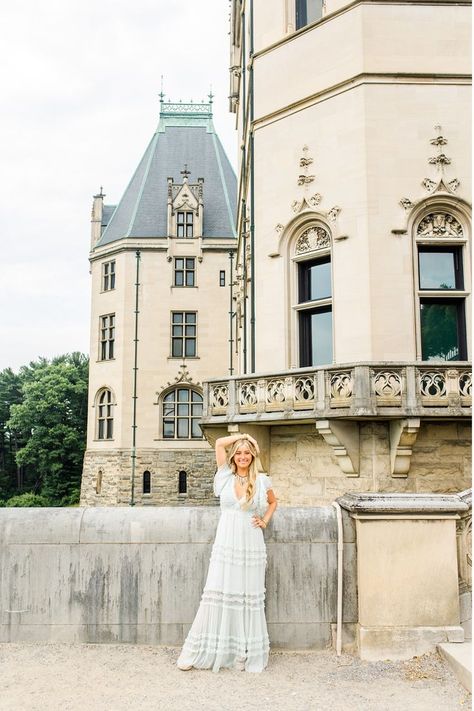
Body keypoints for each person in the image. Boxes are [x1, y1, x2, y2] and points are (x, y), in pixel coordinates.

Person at [177, 432, 277, 673]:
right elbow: (220, 443)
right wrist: (244, 436)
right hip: (226, 540)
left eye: (247, 453)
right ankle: (205, 650)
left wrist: (264, 520)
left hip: (251, 541)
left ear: (253, 456)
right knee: (219, 589)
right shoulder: (224, 475)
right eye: (239, 453)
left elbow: (273, 502)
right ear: (234, 457)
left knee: (247, 595)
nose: (243, 456)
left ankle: (243, 653)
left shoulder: (262, 481)